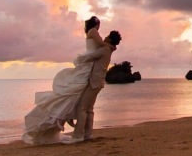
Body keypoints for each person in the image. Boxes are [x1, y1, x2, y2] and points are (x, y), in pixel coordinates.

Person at [22, 16, 121, 144]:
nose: (105, 37)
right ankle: (88, 134)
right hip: (97, 81)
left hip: (94, 81)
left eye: (108, 36)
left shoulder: (104, 48)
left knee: (82, 108)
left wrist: (79, 60)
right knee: (89, 109)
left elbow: (92, 55)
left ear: (110, 39)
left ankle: (79, 135)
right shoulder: (107, 48)